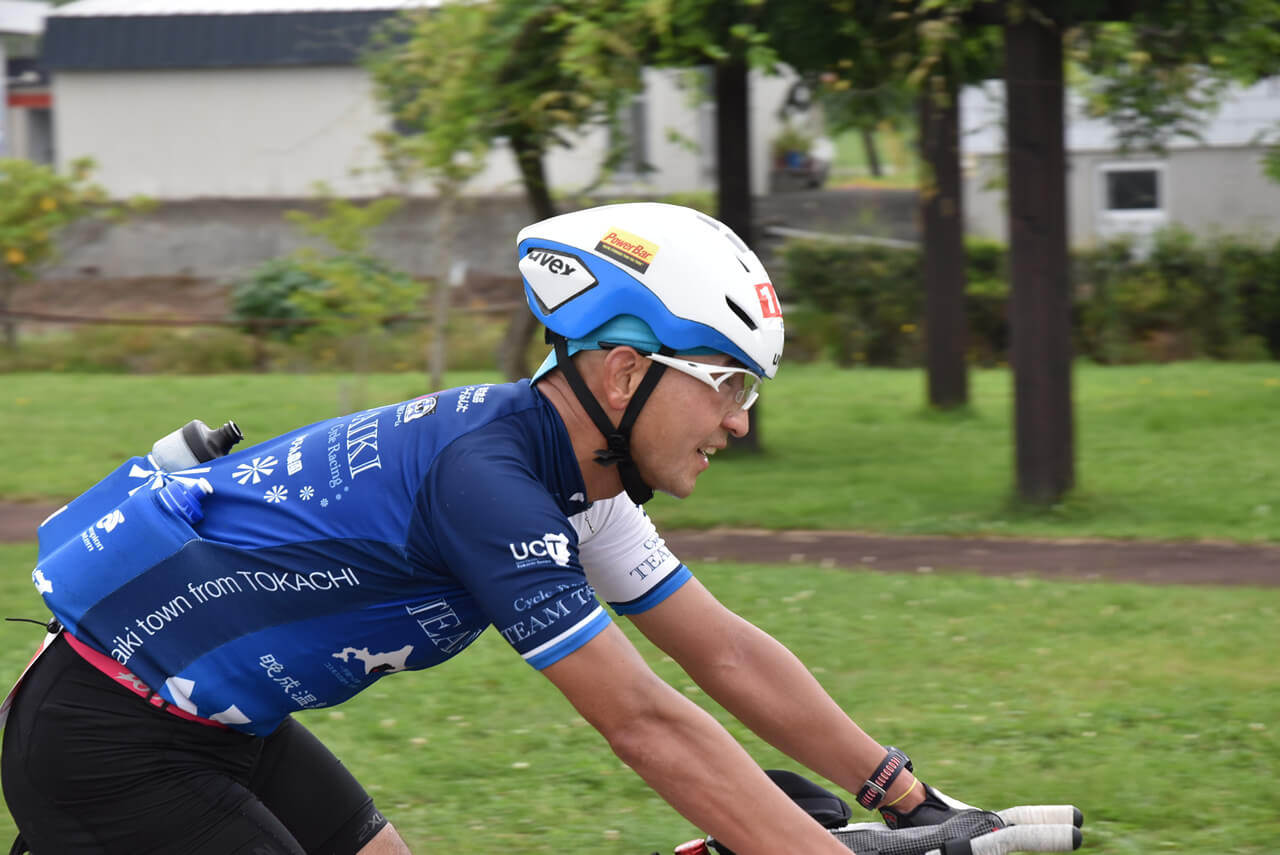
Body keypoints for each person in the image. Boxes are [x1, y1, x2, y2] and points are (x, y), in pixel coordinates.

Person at [3, 203, 1003, 855]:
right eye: (728, 384)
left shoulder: (574, 476)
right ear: (625, 372)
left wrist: (908, 799)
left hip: (224, 728)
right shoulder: (490, 486)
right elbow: (642, 722)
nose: (739, 421)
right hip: (110, 740)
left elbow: (725, 653)